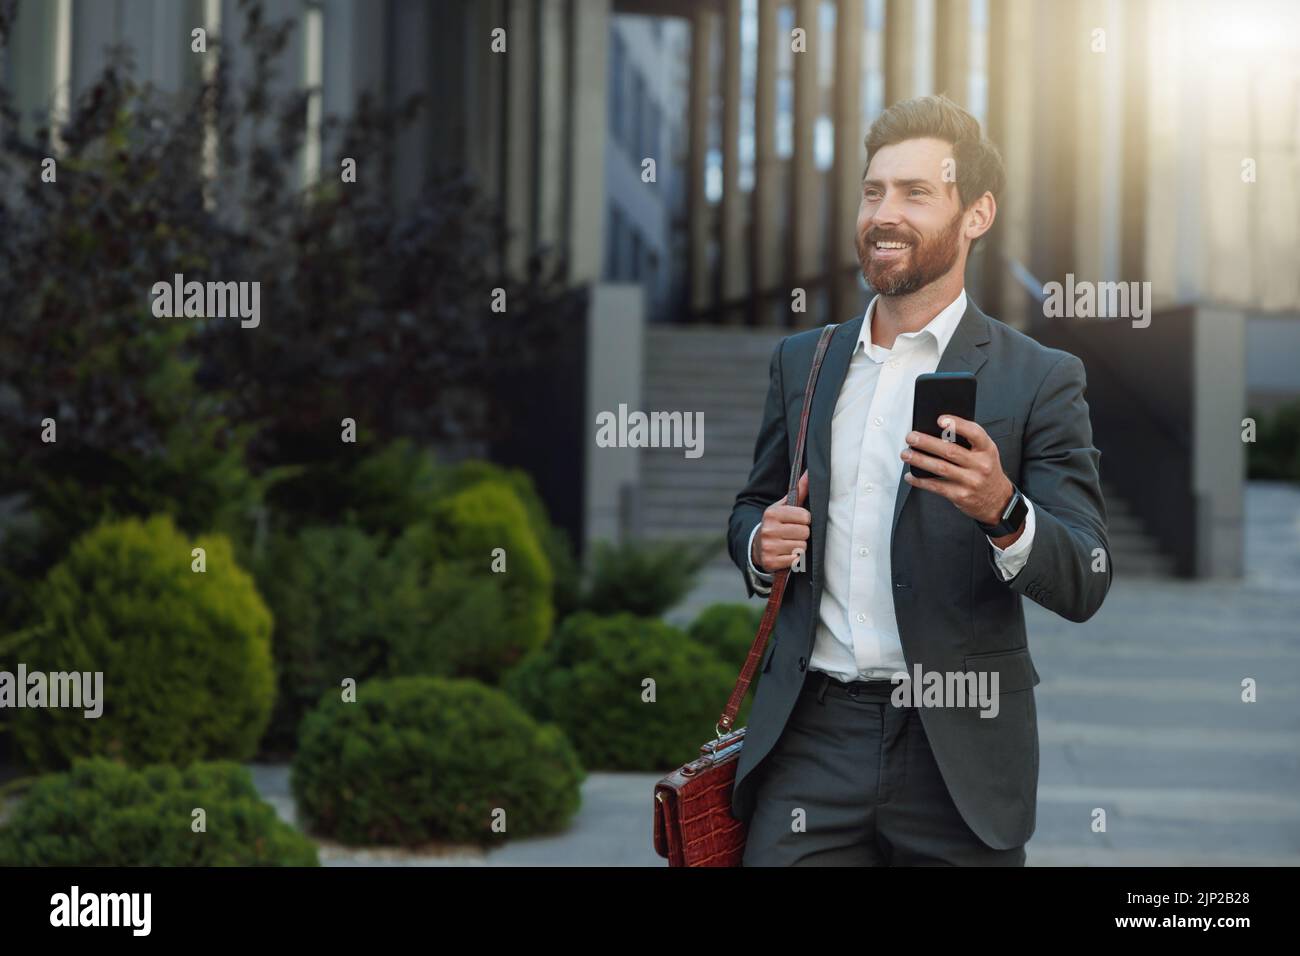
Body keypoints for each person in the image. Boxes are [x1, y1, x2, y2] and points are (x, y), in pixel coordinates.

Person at [728, 93, 1111, 866]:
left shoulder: (1040, 379)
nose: (884, 213)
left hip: (959, 754)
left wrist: (1003, 510)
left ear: (976, 214)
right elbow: (749, 507)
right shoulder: (805, 361)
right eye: (873, 191)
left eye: (915, 193)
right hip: (812, 737)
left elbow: (1086, 577)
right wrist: (759, 542)